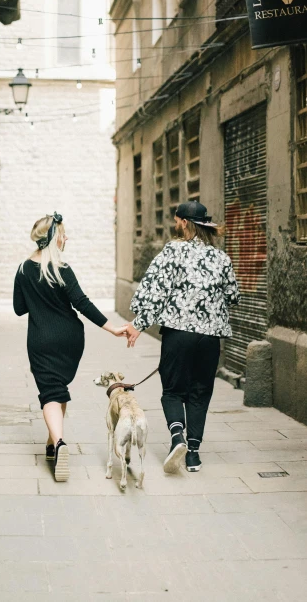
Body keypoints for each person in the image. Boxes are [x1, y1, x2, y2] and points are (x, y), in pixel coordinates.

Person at [125, 201, 240, 474]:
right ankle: (194, 454)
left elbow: (154, 291)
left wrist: (138, 325)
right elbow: (233, 297)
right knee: (200, 392)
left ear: (185, 223)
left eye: (177, 221)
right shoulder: (221, 257)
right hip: (210, 338)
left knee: (173, 391)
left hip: (179, 334)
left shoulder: (172, 252)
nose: (175, 226)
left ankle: (177, 437)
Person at [13, 212, 129, 482]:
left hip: (41, 339)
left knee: (50, 392)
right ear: (55, 238)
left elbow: (20, 309)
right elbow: (82, 303)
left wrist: (36, 298)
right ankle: (53, 444)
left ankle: (61, 442)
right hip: (70, 338)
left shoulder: (23, 269)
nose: (67, 238)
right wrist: (112, 328)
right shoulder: (62, 269)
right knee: (58, 390)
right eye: (64, 234)